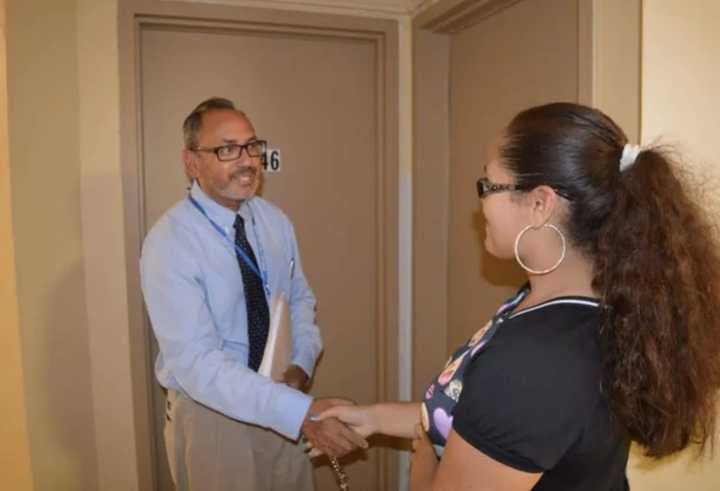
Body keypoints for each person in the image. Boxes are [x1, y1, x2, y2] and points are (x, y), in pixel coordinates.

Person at [317, 102, 720, 490]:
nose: (481, 204)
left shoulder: (535, 362)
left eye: (488, 185)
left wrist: (424, 453)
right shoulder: (559, 303)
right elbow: (480, 422)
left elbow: (496, 418)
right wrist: (373, 417)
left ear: (540, 204)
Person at [140, 97, 366, 491]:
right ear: (191, 162)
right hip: (214, 421)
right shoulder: (169, 242)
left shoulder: (274, 221)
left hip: (282, 405)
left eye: (252, 146)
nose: (247, 160)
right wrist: (302, 412)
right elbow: (196, 364)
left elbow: (300, 300)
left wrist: (300, 365)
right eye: (227, 149)